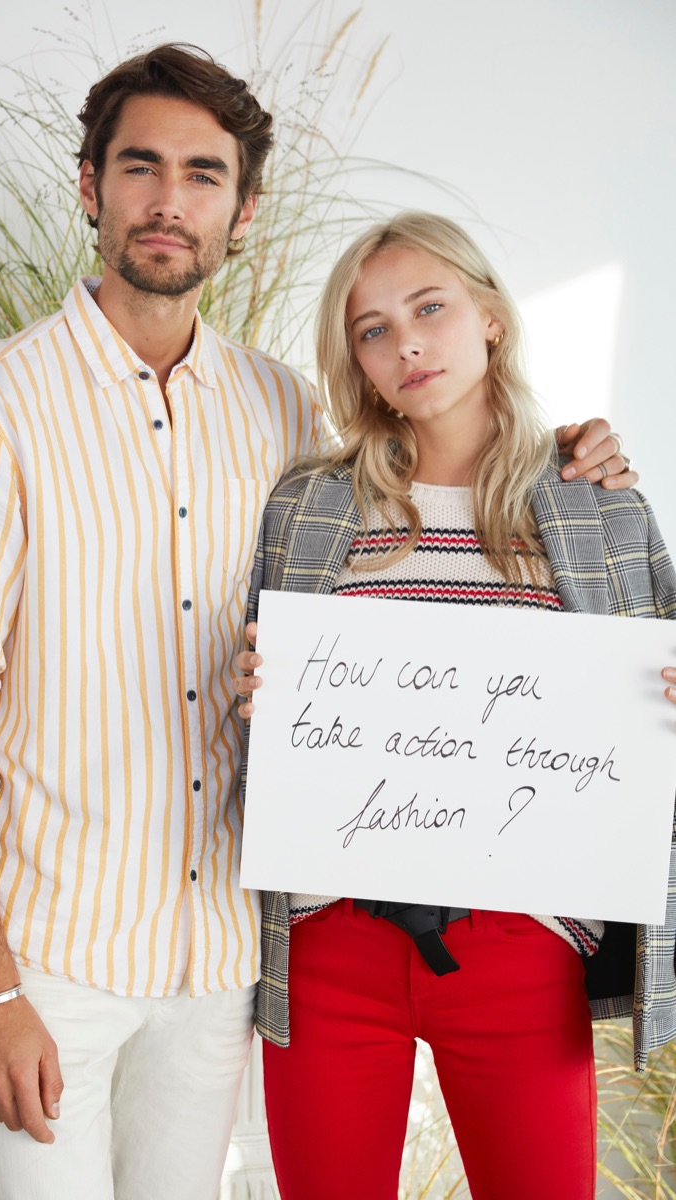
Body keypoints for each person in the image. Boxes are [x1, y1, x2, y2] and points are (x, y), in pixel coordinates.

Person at [0, 42, 631, 1200]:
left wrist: (577, 461)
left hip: (227, 958)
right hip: (55, 959)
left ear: (242, 209)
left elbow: (407, 550)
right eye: (140, 167)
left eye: (202, 174)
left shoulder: (285, 410)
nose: (169, 200)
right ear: (91, 187)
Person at [234, 211, 676, 1200]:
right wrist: (256, 687)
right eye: (372, 328)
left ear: (489, 319)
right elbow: (255, 702)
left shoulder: (597, 505)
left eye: (428, 307)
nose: (407, 344)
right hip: (327, 940)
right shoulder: (309, 505)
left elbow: (645, 718)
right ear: (355, 361)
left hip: (521, 941)